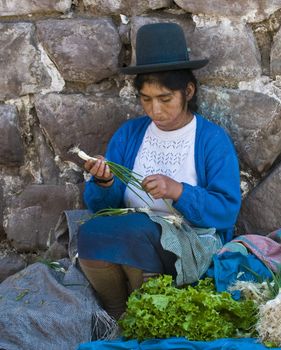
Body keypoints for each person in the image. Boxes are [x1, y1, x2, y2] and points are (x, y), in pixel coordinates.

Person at [76, 23, 241, 319]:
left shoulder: (211, 140)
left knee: (137, 232)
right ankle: (116, 312)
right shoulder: (129, 134)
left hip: (190, 243)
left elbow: (226, 210)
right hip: (133, 235)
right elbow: (101, 207)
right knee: (89, 232)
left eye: (165, 99)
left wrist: (178, 191)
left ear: (187, 91)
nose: (155, 110)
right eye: (146, 99)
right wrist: (105, 181)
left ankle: (148, 311)